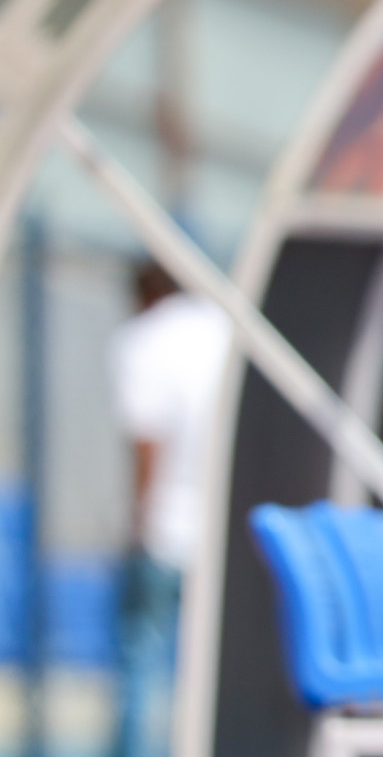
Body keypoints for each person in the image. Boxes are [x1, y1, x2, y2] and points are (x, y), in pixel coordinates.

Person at [110, 262, 232, 757]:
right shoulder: (219, 327)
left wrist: (139, 517)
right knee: (209, 665)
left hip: (167, 528)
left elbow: (148, 441)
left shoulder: (142, 341)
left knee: (141, 660)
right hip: (220, 526)